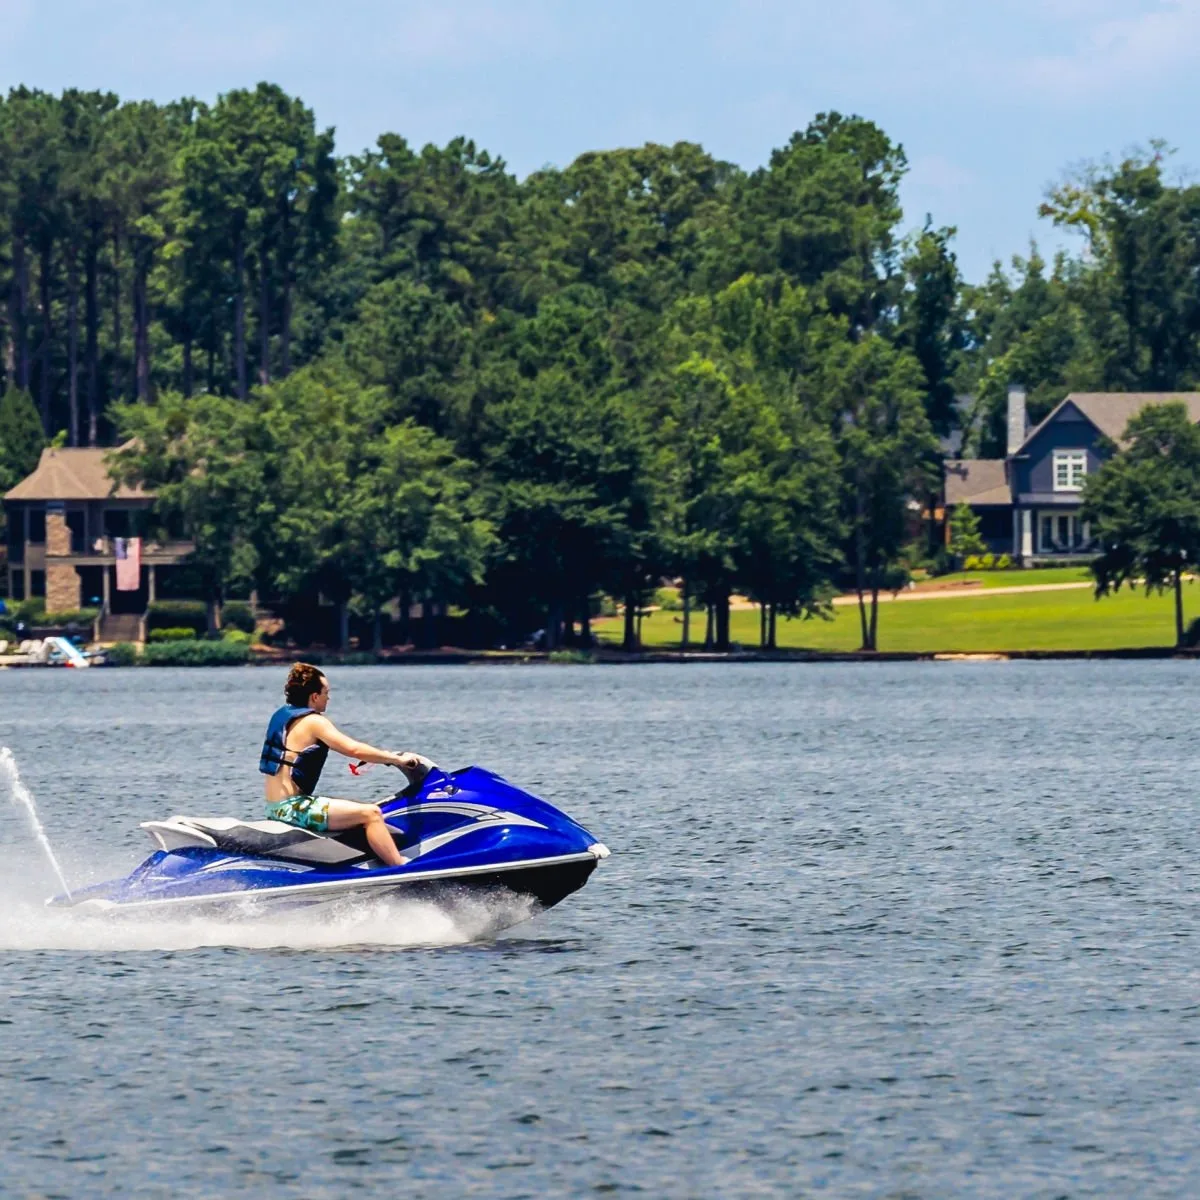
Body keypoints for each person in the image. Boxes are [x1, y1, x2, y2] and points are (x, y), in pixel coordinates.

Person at [260, 662, 432, 867]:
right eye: (326, 692)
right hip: (294, 808)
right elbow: (353, 749)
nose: (328, 698)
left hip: (275, 807)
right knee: (371, 814)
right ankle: (401, 868)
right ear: (314, 696)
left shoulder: (282, 717)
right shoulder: (314, 721)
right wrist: (395, 759)